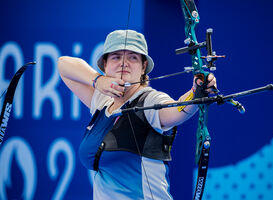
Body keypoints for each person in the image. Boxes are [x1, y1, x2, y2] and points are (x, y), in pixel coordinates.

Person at [57, 30, 217, 200]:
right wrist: (97, 80)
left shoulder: (148, 101)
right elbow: (63, 65)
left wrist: (196, 92)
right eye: (116, 57)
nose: (123, 63)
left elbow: (175, 110)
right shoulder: (102, 101)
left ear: (143, 67)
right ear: (105, 65)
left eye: (133, 57)